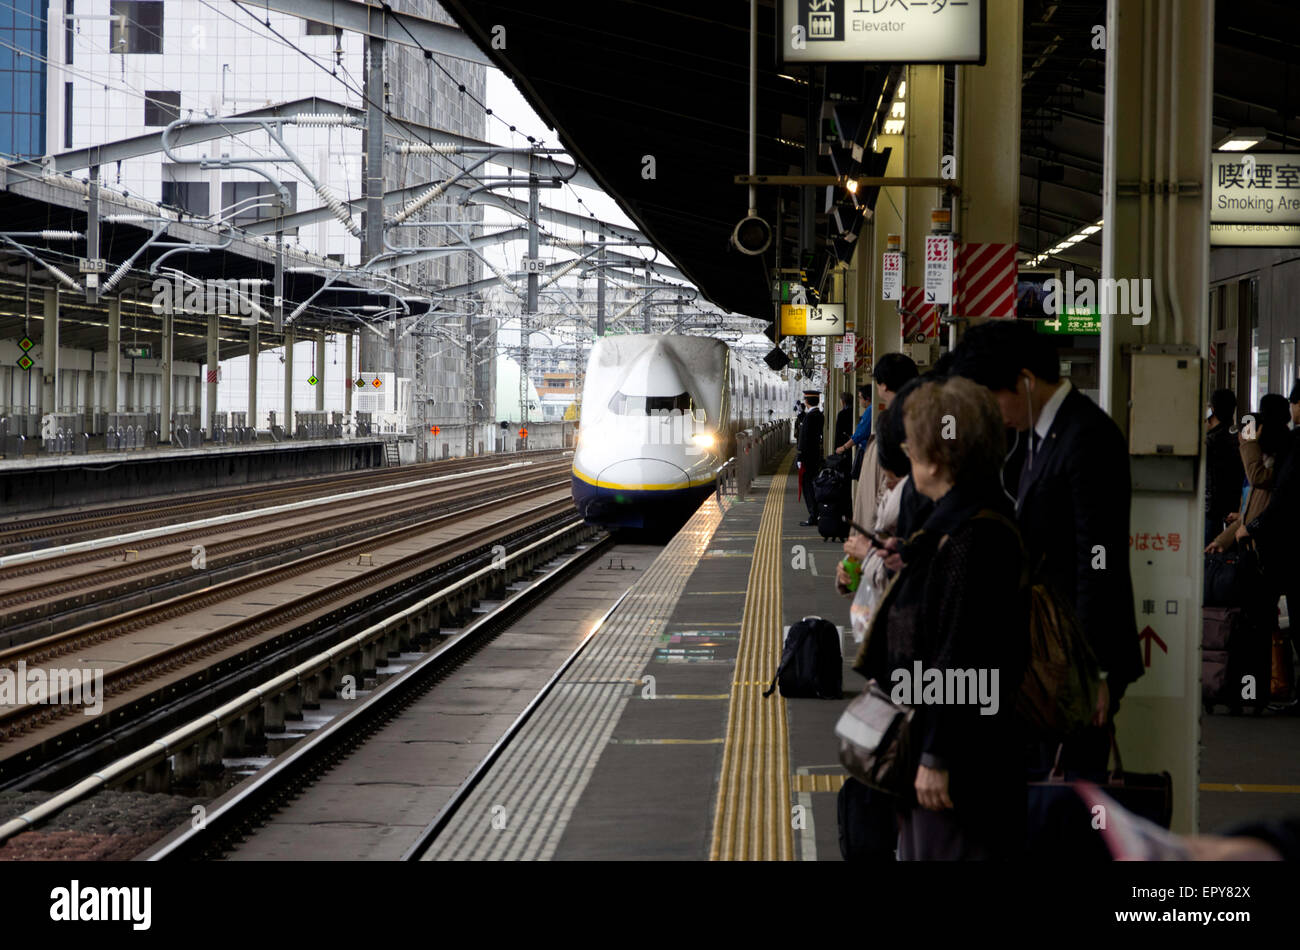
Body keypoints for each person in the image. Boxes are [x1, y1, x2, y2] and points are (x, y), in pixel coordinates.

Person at [949, 320, 1143, 772]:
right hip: (1047, 651)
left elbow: (1099, 559)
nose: (994, 413)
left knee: (1066, 798)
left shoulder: (1086, 437)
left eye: (994, 398)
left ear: (1025, 380)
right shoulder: (1039, 437)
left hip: (1075, 657)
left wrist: (1092, 671)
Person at [851, 376, 1029, 859]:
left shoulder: (973, 538)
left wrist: (936, 755)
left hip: (962, 766)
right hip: (958, 749)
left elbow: (961, 656)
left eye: (912, 443)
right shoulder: (959, 524)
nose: (906, 453)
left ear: (939, 456)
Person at [1205, 395, 1292, 555]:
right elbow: (1246, 516)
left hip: (1266, 550)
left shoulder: (1276, 465)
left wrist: (1248, 442)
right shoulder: (1258, 466)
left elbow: (1257, 477)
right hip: (1248, 546)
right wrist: (1222, 540)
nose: (1241, 438)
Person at [1205, 388, 1245, 544]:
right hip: (1233, 510)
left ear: (1212, 410)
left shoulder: (1210, 441)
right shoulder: (1238, 437)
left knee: (1210, 556)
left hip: (1212, 510)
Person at [797, 390, 824, 526]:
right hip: (814, 456)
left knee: (808, 486)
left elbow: (805, 439)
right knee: (812, 485)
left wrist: (800, 456)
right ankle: (815, 514)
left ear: (806, 401)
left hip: (807, 457)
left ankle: (813, 515)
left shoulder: (810, 417)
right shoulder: (819, 415)